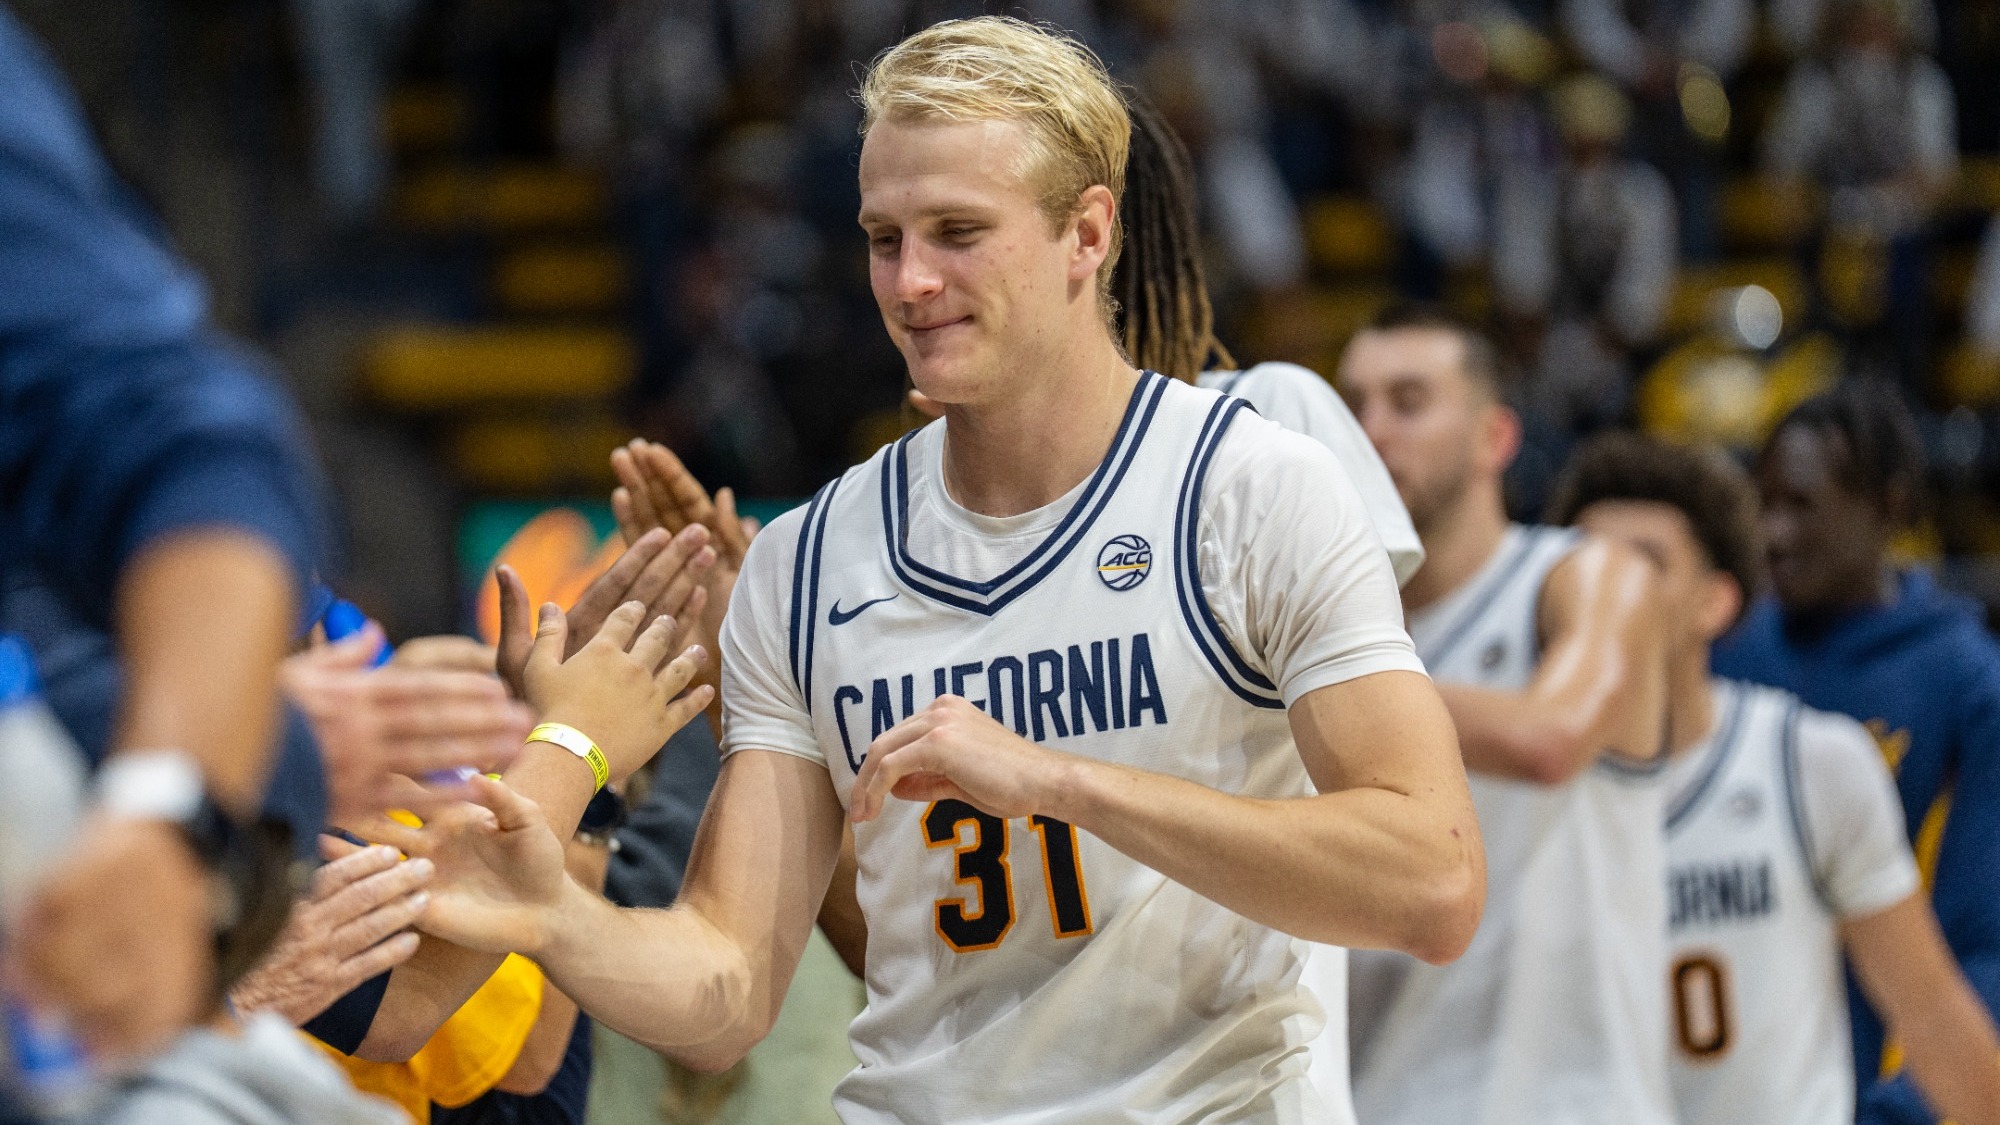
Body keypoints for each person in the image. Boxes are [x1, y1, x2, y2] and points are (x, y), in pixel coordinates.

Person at [402, 17, 1484, 1123]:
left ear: (1087, 232)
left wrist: (1056, 781)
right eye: (883, 238)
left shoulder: (1252, 485)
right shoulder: (807, 559)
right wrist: (555, 918)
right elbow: (729, 981)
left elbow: (1431, 879)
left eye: (957, 232)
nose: (911, 282)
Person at [1548, 431, 2000, 1125]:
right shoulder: (1500, 789)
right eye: (1585, 564)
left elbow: (1945, 1029)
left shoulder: (1812, 761)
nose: (1608, 589)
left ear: (1715, 602)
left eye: (1641, 563)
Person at [1337, 304, 1676, 1125]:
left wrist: (1322, 684)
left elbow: (1549, 738)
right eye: (1353, 406)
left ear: (1495, 437)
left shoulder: (1583, 577)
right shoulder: (1326, 636)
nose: (1372, 431)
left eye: (1408, 402)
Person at [1713, 382, 2000, 1124]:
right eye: (1762, 502)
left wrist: (1902, 1111)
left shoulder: (1966, 682)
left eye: (1801, 505)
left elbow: (1988, 947)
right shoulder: (1725, 647)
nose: (1771, 532)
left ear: (1891, 507)